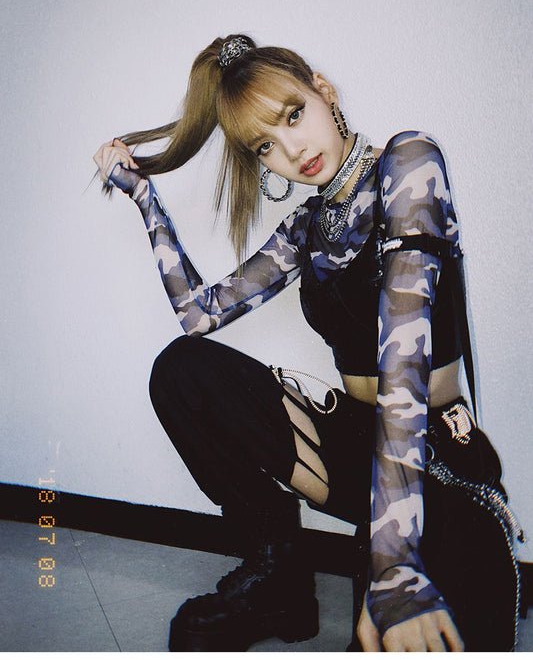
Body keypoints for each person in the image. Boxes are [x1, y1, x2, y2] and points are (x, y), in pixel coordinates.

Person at [93, 34, 522, 652]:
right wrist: (144, 197)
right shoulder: (307, 226)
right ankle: (280, 578)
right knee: (183, 371)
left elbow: (404, 364)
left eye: (293, 115)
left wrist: (394, 563)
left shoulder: (410, 163)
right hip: (359, 449)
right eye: (265, 145)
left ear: (325, 92)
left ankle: (417, 556)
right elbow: (198, 315)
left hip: (435, 464)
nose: (291, 150)